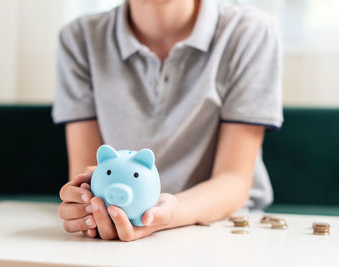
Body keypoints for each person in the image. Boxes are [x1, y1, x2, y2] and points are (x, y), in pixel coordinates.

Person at [52, 0, 283, 242]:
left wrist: (168, 214)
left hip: (221, 230)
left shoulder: (249, 31)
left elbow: (234, 179)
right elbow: (88, 168)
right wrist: (86, 202)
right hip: (118, 236)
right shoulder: (79, 38)